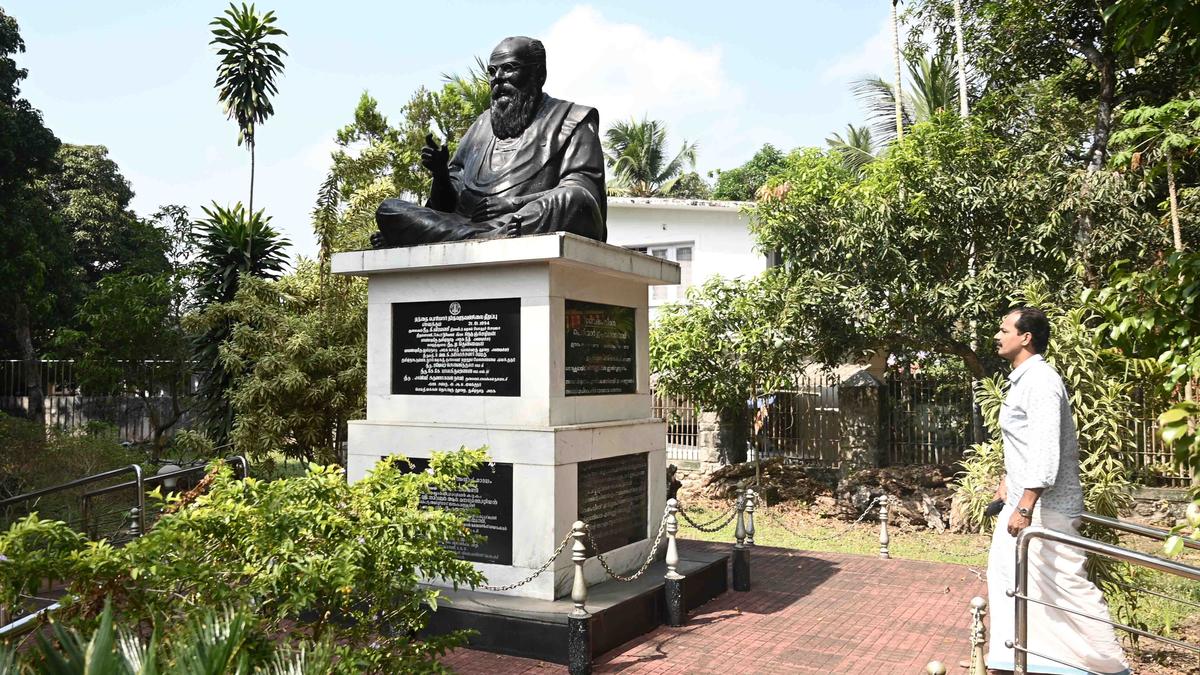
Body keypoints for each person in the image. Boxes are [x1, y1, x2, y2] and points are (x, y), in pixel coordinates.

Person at [986, 306, 1129, 675]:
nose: (998, 337)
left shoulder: (1042, 381)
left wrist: (1025, 505)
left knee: (1066, 588)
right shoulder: (1023, 379)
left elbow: (1046, 448)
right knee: (1009, 577)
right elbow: (1023, 441)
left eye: (1004, 330)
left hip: (1045, 508)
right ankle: (1022, 657)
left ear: (1025, 337)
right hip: (1023, 500)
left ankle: (1109, 666)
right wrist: (1008, 480)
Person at [372, 36, 607, 248]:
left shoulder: (572, 119)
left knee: (574, 201)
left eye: (509, 69)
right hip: (470, 224)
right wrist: (441, 174)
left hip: (521, 220)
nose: (498, 78)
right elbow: (445, 207)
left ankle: (435, 238)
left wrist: (513, 204)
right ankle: (480, 238)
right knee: (389, 209)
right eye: (492, 71)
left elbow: (582, 190)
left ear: (539, 74)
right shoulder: (481, 127)